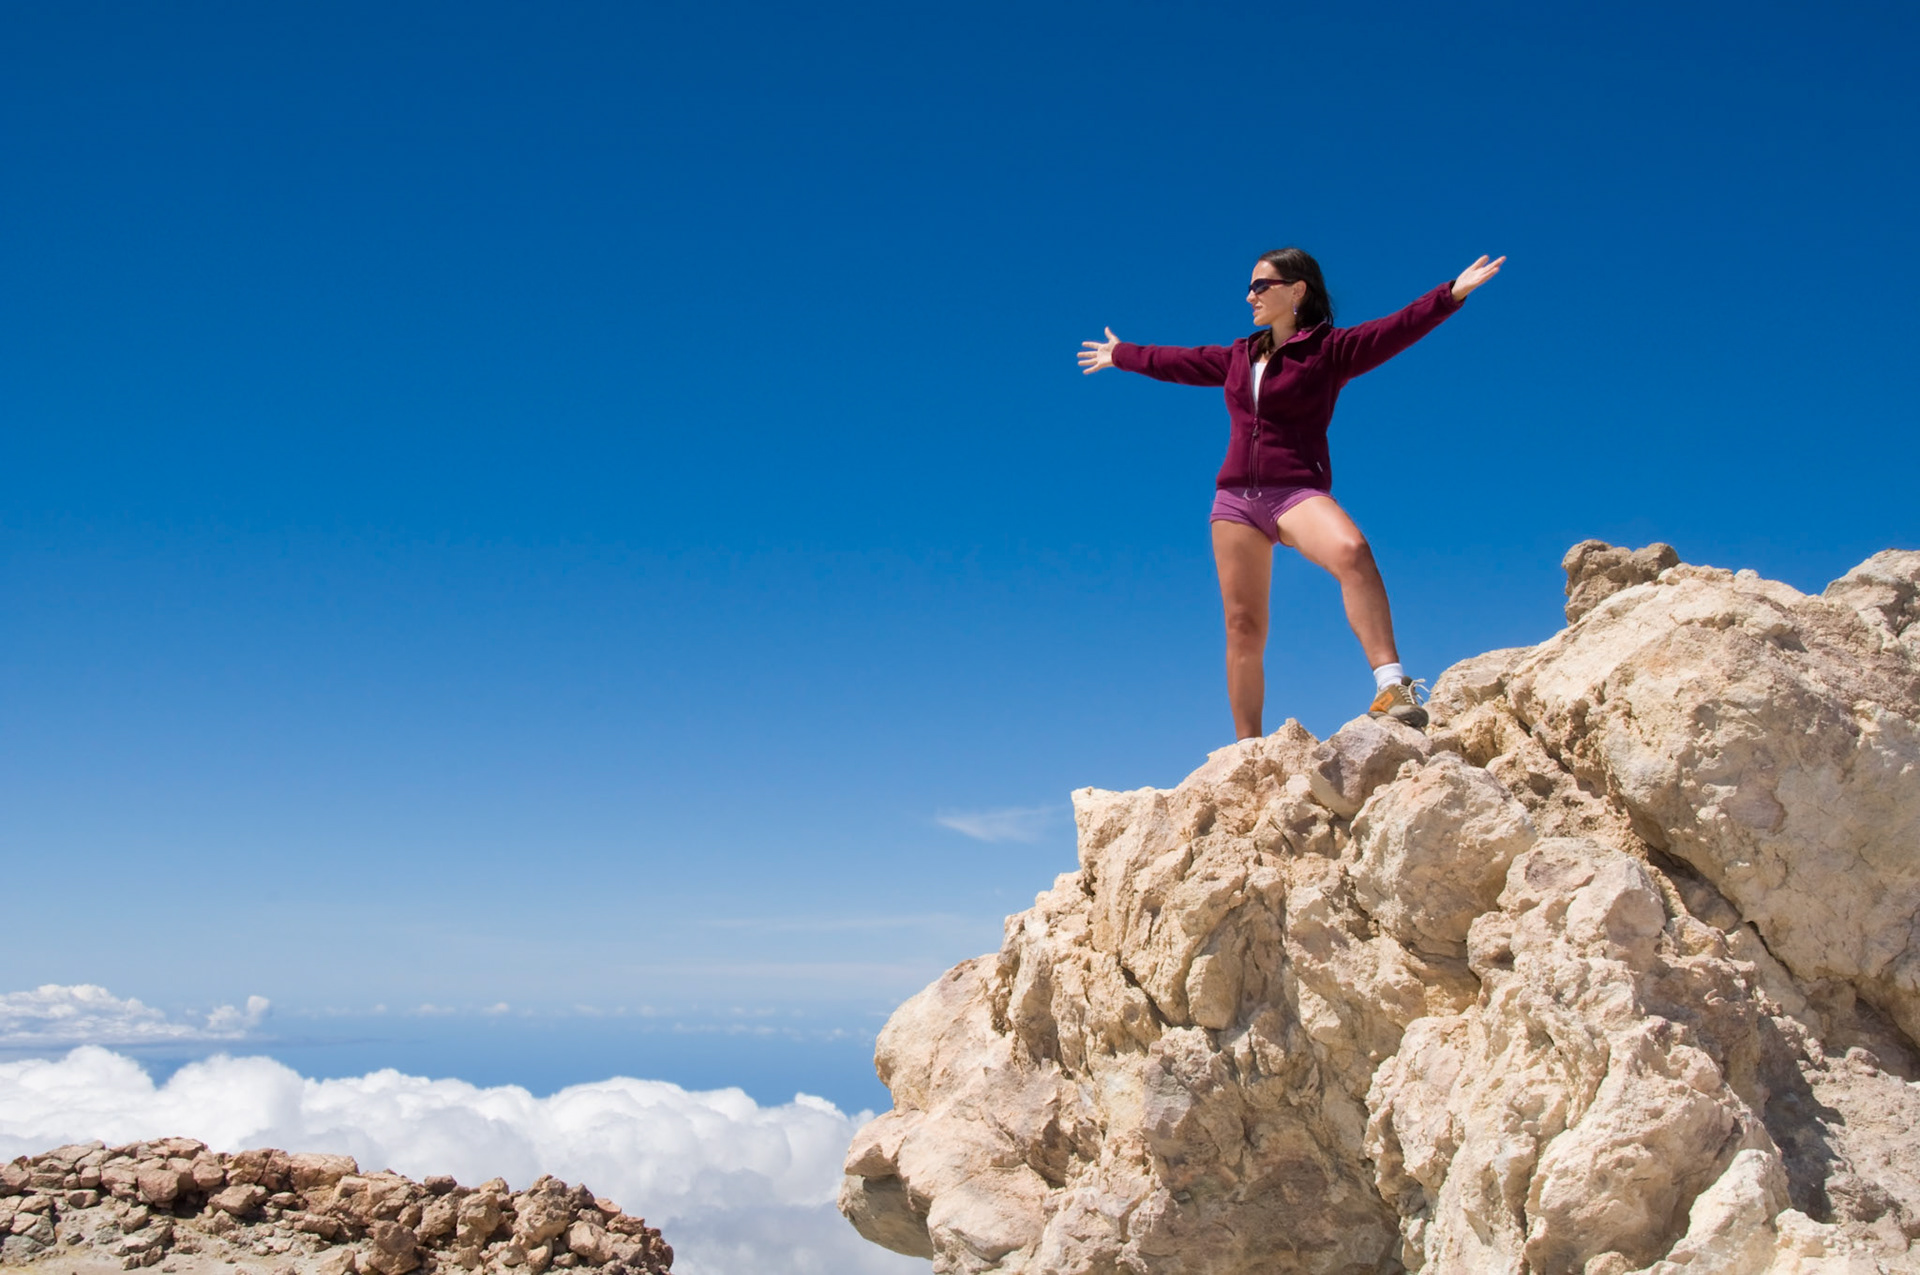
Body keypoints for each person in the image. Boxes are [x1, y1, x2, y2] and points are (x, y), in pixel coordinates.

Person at [1078, 249, 1504, 739]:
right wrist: (1122, 354)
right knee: (1243, 626)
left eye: (1261, 285)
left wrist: (1450, 294)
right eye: (1250, 287)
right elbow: (1179, 361)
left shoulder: (1332, 351)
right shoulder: (1239, 355)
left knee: (1352, 551)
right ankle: (1247, 747)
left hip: (1295, 491)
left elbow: (1396, 328)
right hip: (1236, 501)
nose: (1250, 295)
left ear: (1297, 290)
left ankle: (1392, 686)